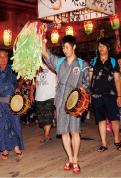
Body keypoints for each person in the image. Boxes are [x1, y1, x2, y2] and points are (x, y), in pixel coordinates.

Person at [42, 35, 90, 174]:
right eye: (63, 47)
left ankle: (75, 159)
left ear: (74, 46)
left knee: (75, 131)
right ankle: (69, 158)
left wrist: (83, 88)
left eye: (68, 47)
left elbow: (88, 82)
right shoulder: (59, 62)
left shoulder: (82, 64)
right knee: (64, 131)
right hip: (61, 99)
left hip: (75, 101)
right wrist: (41, 40)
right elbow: (46, 54)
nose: (65, 50)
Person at [89, 38, 121, 153]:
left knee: (115, 119)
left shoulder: (114, 62)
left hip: (111, 95)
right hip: (97, 95)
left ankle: (117, 140)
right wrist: (90, 93)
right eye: (99, 46)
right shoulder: (93, 61)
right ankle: (104, 143)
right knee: (101, 120)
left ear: (108, 48)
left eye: (103, 46)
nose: (101, 48)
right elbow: (90, 79)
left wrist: (119, 96)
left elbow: (117, 80)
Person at [30, 61, 58, 143]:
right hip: (39, 96)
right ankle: (46, 134)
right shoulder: (36, 68)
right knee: (41, 117)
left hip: (50, 95)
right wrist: (31, 93)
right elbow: (33, 82)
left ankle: (47, 134)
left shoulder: (52, 66)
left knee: (48, 115)